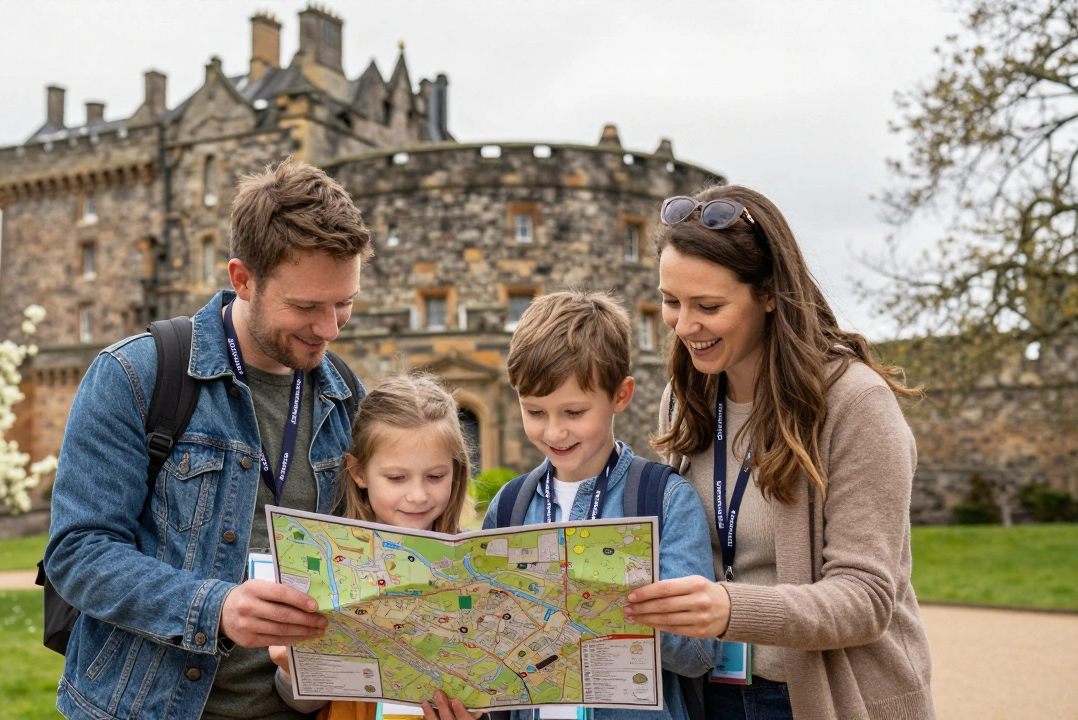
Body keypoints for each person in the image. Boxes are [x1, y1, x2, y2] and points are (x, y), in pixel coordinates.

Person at [44, 158, 378, 720]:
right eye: (305, 307)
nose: (330, 328)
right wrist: (215, 608)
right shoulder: (135, 375)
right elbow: (78, 553)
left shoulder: (346, 395)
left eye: (343, 303)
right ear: (242, 279)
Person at [624, 186, 936, 719]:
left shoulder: (857, 403)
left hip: (825, 698)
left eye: (709, 306)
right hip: (711, 696)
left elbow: (865, 598)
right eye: (671, 302)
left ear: (768, 294)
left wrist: (730, 609)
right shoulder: (683, 398)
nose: (683, 325)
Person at [482, 290, 720, 720]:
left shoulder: (666, 499)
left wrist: (615, 603)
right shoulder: (509, 506)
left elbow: (700, 654)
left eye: (574, 412)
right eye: (535, 412)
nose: (554, 432)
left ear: (621, 395)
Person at [268, 374, 480, 720]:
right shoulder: (328, 563)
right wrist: (291, 669)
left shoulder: (474, 567)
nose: (418, 495)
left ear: (455, 471)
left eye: (436, 476)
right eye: (397, 478)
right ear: (359, 472)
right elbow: (301, 703)